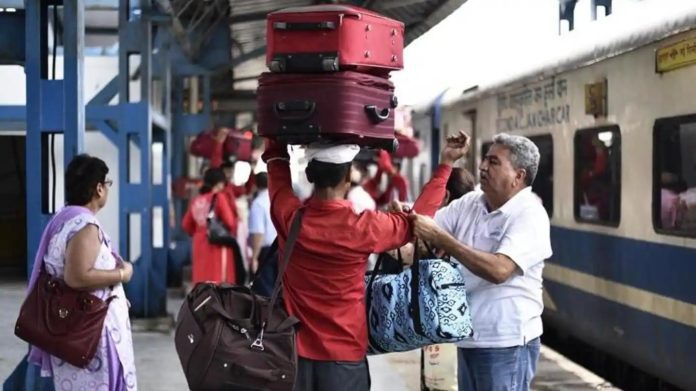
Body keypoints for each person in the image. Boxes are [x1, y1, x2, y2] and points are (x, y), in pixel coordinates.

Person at [262, 131, 470, 391]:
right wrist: (446, 164)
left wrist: (276, 134)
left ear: (309, 175)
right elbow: (419, 220)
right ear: (348, 178)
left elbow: (276, 168)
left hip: (292, 355)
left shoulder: (289, 218)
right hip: (344, 358)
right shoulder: (364, 227)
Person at [410, 133, 552, 391]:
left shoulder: (529, 213)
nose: (482, 167)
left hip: (505, 343)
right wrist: (446, 163)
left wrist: (445, 241)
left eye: (494, 162)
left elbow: (500, 270)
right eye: (485, 159)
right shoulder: (470, 203)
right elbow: (423, 224)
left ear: (518, 176)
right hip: (468, 337)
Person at [23, 154, 137, 390]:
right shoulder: (85, 226)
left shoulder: (65, 220)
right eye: (107, 184)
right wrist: (122, 275)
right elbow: (77, 277)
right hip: (92, 334)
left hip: (76, 328)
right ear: (98, 188)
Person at [182, 168, 242, 284]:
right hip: (216, 245)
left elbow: (186, 225)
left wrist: (200, 230)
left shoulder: (196, 200)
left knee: (202, 285)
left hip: (199, 244)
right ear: (220, 183)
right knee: (218, 285)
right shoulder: (218, 197)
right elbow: (230, 222)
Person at [248, 172, 277, 274]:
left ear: (256, 185)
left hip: (266, 251)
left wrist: (254, 257)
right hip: (281, 249)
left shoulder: (258, 203)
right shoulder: (276, 200)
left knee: (264, 287)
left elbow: (258, 232)